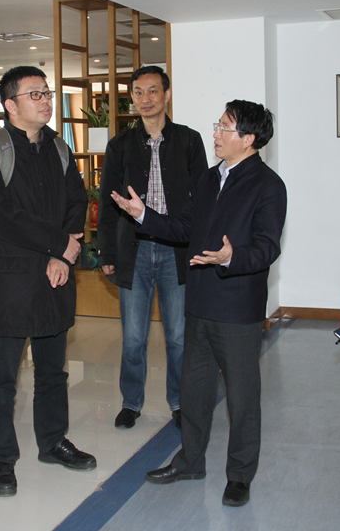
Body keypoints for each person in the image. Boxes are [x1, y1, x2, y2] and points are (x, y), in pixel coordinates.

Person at [112, 99, 287, 508]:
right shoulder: (210, 178)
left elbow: (267, 246)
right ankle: (190, 461)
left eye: (224, 128)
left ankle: (239, 475)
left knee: (242, 398)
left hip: (237, 309)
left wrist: (231, 257)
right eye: (217, 126)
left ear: (249, 138)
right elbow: (184, 226)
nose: (216, 134)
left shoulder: (268, 185)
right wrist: (143, 214)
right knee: (194, 390)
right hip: (200, 302)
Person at [0, 66, 95, 497]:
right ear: (10, 104)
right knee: (3, 375)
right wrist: (59, 244)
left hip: (54, 276)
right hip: (9, 278)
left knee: (53, 370)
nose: (45, 101)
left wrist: (62, 252)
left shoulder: (59, 146)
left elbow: (77, 200)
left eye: (47, 93)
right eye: (35, 94)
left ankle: (53, 442)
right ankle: (2, 458)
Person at [98, 65, 207, 430]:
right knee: (133, 338)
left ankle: (179, 402)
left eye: (153, 91)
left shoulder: (189, 141)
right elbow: (108, 202)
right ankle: (131, 403)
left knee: (178, 337)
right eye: (138, 92)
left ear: (167, 95)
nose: (145, 99)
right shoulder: (120, 146)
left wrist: (200, 249)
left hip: (178, 251)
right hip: (136, 250)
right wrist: (107, 253)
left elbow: (203, 201)